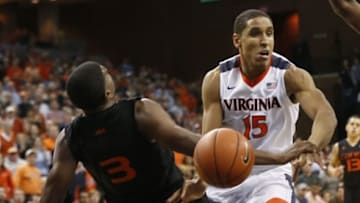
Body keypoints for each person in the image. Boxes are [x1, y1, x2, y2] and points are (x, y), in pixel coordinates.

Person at [40, 61, 317, 203]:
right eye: (105, 72)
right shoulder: (139, 112)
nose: (109, 72)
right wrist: (278, 157)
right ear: (108, 90)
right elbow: (202, 146)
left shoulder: (68, 138)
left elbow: (52, 194)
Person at [201, 9, 337, 203]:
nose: (265, 40)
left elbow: (325, 114)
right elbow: (209, 142)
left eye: (269, 33)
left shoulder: (289, 75)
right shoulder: (217, 79)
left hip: (272, 177)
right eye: (255, 33)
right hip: (228, 174)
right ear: (237, 41)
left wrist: (311, 145)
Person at [330, 115, 360, 203]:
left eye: (358, 125)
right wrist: (334, 171)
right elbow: (331, 167)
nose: (354, 127)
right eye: (352, 124)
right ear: (346, 127)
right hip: (348, 186)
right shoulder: (338, 146)